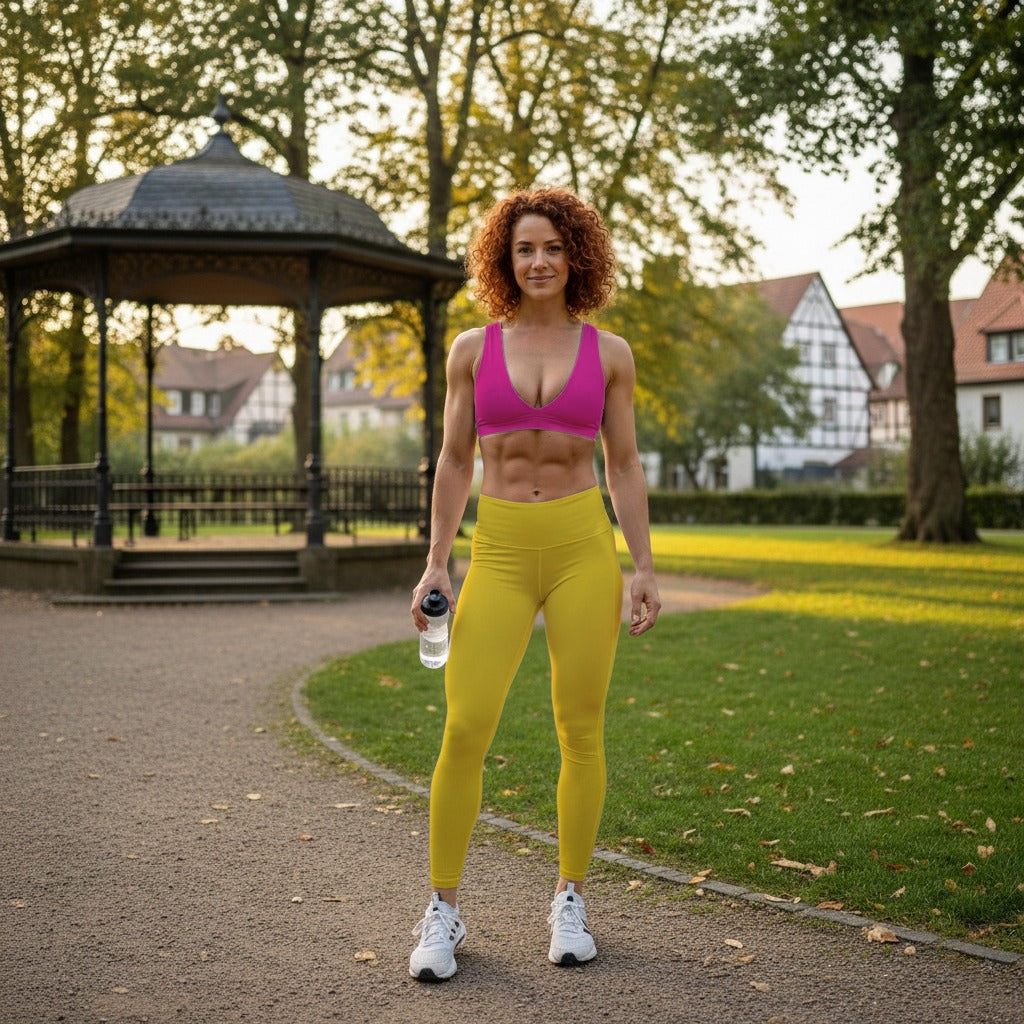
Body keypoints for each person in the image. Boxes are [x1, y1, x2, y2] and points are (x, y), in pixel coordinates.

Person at [408, 186, 660, 981]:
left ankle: (570, 899)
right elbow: (454, 460)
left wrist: (643, 565)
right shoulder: (472, 351)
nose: (540, 260)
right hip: (504, 549)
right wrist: (436, 559)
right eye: (524, 248)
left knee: (580, 729)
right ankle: (443, 911)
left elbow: (621, 463)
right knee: (465, 727)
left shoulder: (611, 353)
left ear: (574, 255)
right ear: (504, 260)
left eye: (552, 246)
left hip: (586, 548)